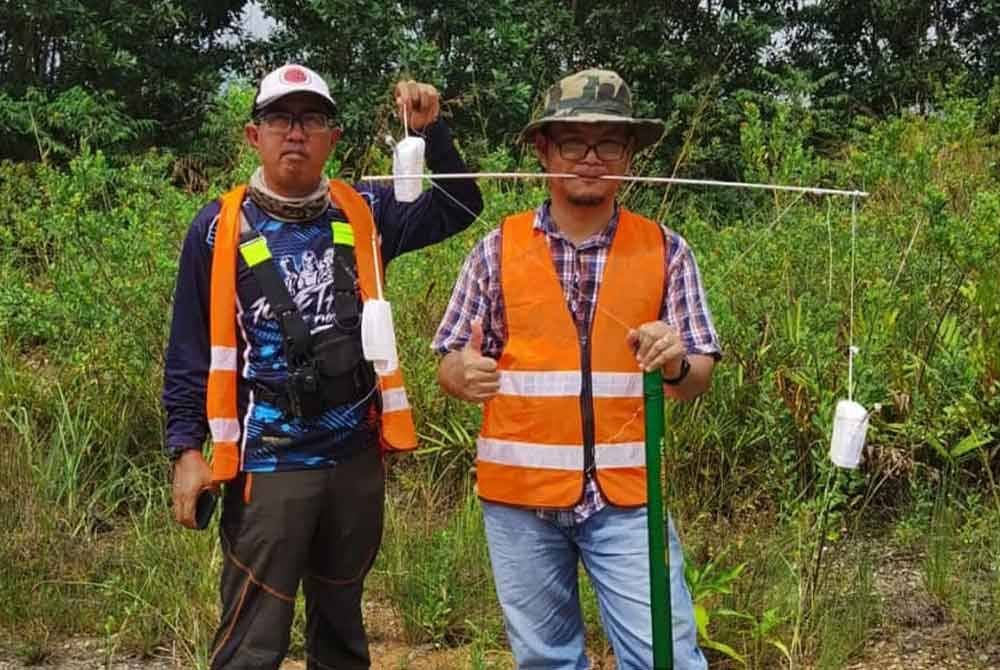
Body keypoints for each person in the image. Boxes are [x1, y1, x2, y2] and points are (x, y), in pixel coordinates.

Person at [163, 64, 482, 669]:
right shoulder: (216, 228)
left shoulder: (366, 209)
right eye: (280, 118)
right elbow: (188, 351)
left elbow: (460, 205)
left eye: (311, 119)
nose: (295, 133)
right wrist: (185, 451)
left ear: (332, 138)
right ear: (252, 135)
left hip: (354, 458)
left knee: (342, 630)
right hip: (266, 461)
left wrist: (432, 132)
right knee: (252, 637)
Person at [434, 69, 720, 670]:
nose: (591, 159)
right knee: (546, 661)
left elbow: (697, 377)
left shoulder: (667, 250)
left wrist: (674, 363)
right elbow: (449, 364)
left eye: (609, 143)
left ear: (629, 155)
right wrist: (464, 372)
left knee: (663, 657)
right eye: (573, 143)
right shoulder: (495, 248)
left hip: (628, 503)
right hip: (521, 505)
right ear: (544, 150)